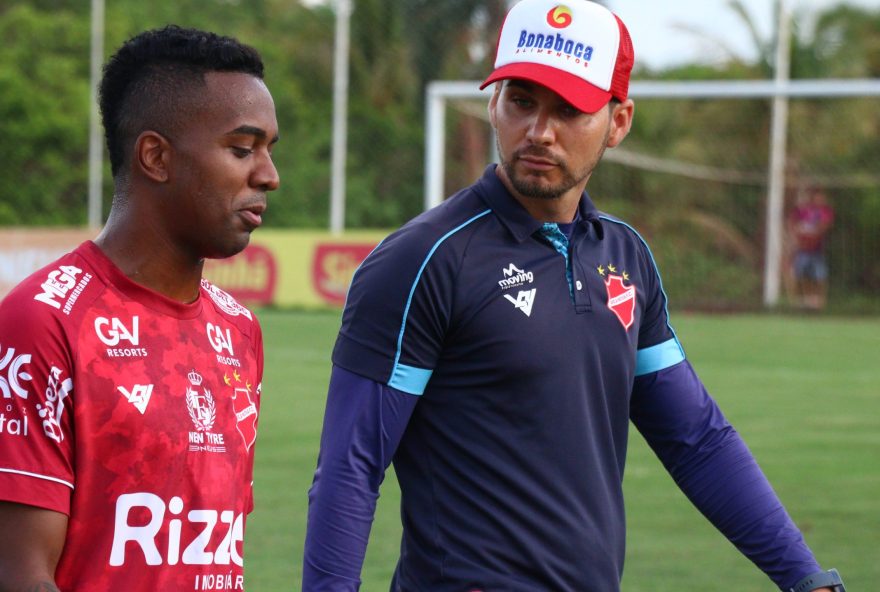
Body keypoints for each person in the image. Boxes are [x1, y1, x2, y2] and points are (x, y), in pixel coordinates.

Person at [302, 1, 845, 591]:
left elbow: (697, 439)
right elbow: (350, 469)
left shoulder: (626, 256)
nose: (539, 132)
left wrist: (806, 578)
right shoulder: (423, 259)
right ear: (493, 102)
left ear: (619, 121)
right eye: (522, 101)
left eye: (570, 110)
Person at [0, 25, 279, 591]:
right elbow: (19, 572)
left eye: (270, 151)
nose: (269, 176)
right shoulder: (44, 322)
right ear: (155, 156)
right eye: (242, 149)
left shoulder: (238, 331)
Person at [789, 185, 834, 310]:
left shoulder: (825, 211)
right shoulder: (803, 211)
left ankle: (819, 303)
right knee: (800, 275)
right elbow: (794, 224)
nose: (820, 200)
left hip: (817, 250)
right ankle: (803, 302)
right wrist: (799, 231)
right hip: (802, 249)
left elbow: (823, 226)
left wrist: (810, 229)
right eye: (818, 197)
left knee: (820, 276)